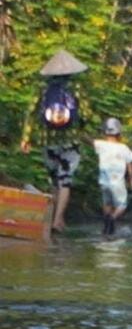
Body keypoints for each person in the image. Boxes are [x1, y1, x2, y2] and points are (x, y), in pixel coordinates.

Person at [34, 76, 84, 231]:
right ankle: (58, 220)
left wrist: (25, 138)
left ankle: (50, 219)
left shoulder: (42, 88)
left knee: (53, 180)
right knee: (65, 180)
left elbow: (31, 113)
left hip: (48, 141)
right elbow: (86, 114)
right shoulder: (76, 88)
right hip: (71, 142)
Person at [92, 118, 132, 238]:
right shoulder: (124, 148)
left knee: (107, 203)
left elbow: (87, 140)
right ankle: (112, 219)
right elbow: (131, 169)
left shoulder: (100, 145)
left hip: (103, 182)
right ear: (119, 133)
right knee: (122, 205)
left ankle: (106, 228)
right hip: (117, 182)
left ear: (104, 132)